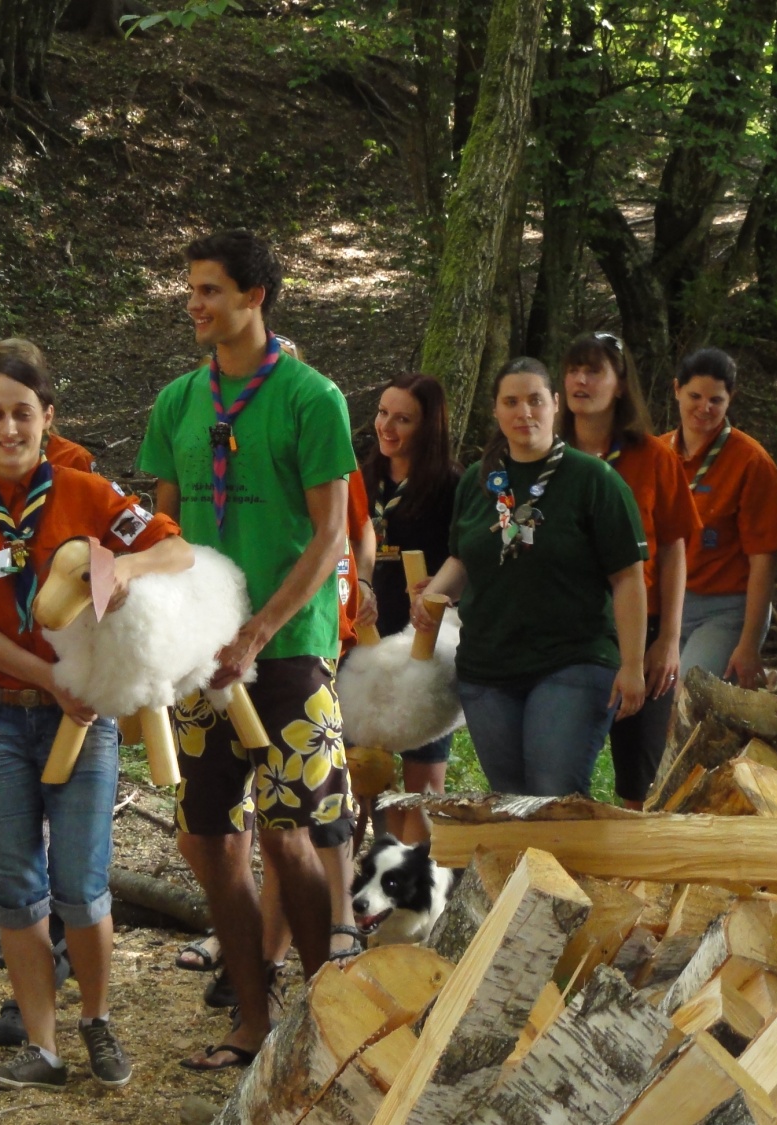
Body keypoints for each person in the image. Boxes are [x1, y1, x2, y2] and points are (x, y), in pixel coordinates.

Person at [0, 340, 192, 1092]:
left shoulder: (86, 492)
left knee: (81, 882)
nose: (10, 429)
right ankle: (40, 1045)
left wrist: (125, 567)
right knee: (16, 887)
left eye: (23, 413)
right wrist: (50, 676)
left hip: (84, 722)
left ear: (49, 418)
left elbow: (177, 553)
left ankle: (97, 1022)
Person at [138, 229, 356, 1072]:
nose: (195, 305)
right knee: (209, 837)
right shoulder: (178, 401)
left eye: (211, 291)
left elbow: (331, 534)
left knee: (290, 832)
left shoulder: (311, 396)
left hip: (288, 650)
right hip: (198, 657)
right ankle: (254, 1023)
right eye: (190, 290)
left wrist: (259, 629)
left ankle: (326, 1029)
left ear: (255, 297)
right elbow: (162, 529)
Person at [414, 357, 648, 798]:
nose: (525, 413)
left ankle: (569, 869)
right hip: (487, 668)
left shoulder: (594, 480)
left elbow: (628, 579)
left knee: (552, 793)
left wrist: (633, 666)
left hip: (571, 660)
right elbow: (462, 559)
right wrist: (433, 594)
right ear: (496, 411)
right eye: (512, 402)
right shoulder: (478, 482)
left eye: (535, 400)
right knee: (511, 801)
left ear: (555, 405)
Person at [561, 333, 699, 807]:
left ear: (620, 385)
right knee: (558, 766)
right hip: (567, 630)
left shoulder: (654, 457)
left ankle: (632, 875)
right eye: (574, 369)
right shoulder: (545, 453)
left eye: (595, 370)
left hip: (643, 628)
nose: (581, 380)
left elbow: (675, 548)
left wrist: (668, 640)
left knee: (638, 773)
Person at [358, 373, 461, 841]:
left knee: (422, 789)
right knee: (366, 778)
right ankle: (376, 879)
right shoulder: (361, 480)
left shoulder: (452, 487)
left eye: (403, 419)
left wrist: (438, 589)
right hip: (365, 643)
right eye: (383, 413)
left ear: (429, 427)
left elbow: (467, 561)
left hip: (428, 646)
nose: (388, 427)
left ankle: (424, 896)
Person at [663, 348, 777, 689]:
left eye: (716, 400)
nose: (704, 408)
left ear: (731, 398)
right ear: (676, 389)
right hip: (665, 603)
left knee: (687, 697)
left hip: (725, 610)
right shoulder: (657, 455)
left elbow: (764, 559)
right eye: (695, 396)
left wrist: (748, 644)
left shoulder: (751, 462)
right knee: (652, 708)